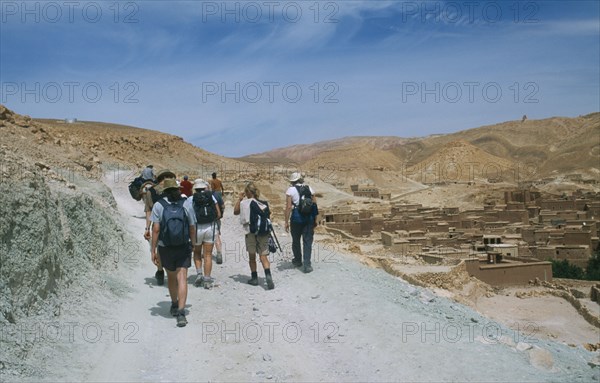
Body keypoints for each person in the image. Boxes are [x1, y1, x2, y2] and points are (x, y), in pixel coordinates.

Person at [150, 179, 196, 327]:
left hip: (165, 247)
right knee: (182, 277)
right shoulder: (186, 203)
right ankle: (182, 313)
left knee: (171, 277)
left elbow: (156, 229)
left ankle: (174, 304)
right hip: (183, 245)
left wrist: (153, 249)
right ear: (177, 189)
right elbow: (192, 226)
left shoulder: (159, 205)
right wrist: (193, 244)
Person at [234, 182, 274, 289]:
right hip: (263, 232)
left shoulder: (245, 203)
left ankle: (254, 278)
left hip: (250, 232)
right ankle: (268, 276)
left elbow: (235, 212)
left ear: (247, 192)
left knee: (252, 257)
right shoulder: (263, 203)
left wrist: (240, 199)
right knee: (263, 256)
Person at [142, 169, 177, 285]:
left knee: (160, 249)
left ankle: (160, 271)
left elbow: (148, 211)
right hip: (175, 224)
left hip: (159, 225)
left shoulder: (150, 192)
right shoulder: (175, 190)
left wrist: (147, 228)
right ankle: (174, 272)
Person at [185, 179, 221, 289]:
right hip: (210, 228)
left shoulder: (190, 200)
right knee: (208, 255)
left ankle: (199, 274)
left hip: (196, 229)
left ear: (194, 189)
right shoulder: (211, 197)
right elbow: (218, 214)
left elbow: (187, 216)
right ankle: (207, 279)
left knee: (197, 253)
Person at [285, 172, 318, 273]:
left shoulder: (290, 190)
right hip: (309, 219)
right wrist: (315, 220)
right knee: (307, 241)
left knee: (296, 240)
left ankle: (298, 261)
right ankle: (307, 265)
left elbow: (289, 207)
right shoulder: (309, 188)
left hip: (296, 218)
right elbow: (315, 205)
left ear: (292, 181)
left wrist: (286, 221)